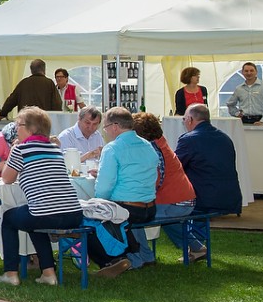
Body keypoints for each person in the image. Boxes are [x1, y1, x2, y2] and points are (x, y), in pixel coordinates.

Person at [0, 107, 84, 286]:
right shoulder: (55, 149)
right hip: (73, 214)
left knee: (9, 218)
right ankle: (48, 273)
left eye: (18, 125)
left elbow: (6, 178)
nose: (16, 129)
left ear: (31, 128)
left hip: (45, 213)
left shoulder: (21, 149)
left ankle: (10, 273)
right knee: (33, 219)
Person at [86, 107, 158, 278]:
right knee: (116, 216)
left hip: (128, 209)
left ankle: (112, 260)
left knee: (87, 219)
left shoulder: (113, 148)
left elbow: (104, 188)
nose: (105, 131)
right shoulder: (147, 145)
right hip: (149, 207)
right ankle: (138, 256)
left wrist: (97, 204)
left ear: (115, 126)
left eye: (105, 127)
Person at [127, 112, 200, 267]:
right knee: (168, 221)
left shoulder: (152, 149)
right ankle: (198, 248)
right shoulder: (161, 143)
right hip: (185, 199)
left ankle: (144, 257)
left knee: (132, 214)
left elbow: (154, 182)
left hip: (174, 202)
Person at [174, 104, 242, 254]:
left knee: (165, 211)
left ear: (190, 119)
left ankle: (196, 247)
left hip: (205, 198)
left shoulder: (189, 139)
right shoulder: (225, 138)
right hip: (229, 196)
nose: (184, 122)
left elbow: (175, 168)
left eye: (184, 119)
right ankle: (196, 248)